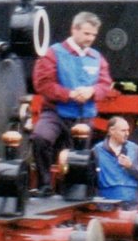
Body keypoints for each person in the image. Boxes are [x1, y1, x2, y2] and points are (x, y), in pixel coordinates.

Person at [31, 11, 114, 192]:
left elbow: (105, 84)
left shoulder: (97, 57)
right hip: (55, 112)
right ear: (74, 30)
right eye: (86, 34)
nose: (90, 38)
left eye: (93, 35)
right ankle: (44, 184)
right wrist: (69, 94)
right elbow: (42, 84)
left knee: (76, 159)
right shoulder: (52, 53)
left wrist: (92, 91)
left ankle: (68, 192)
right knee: (40, 137)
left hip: (84, 117)